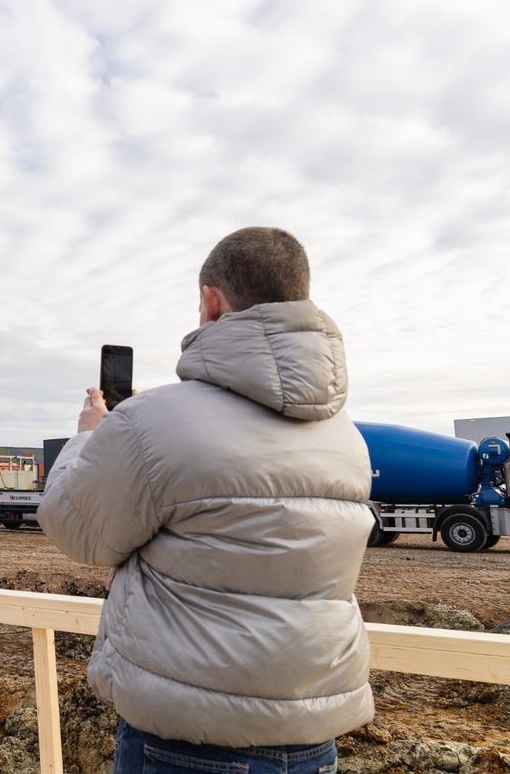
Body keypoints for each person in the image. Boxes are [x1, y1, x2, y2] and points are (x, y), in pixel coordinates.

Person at [36, 227, 375, 773]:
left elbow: (76, 530)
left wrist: (93, 436)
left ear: (212, 302)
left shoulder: (151, 423)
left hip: (191, 743)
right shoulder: (347, 438)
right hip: (314, 738)